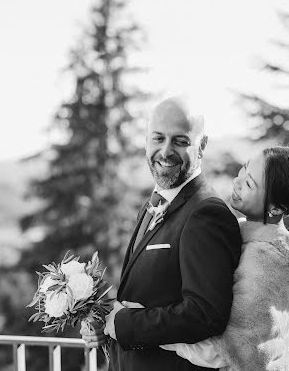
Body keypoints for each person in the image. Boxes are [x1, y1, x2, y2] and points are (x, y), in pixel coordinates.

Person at [80, 95, 241, 371]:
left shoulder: (206, 213)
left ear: (201, 146)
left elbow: (205, 314)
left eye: (180, 141)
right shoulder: (154, 202)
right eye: (158, 138)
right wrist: (105, 323)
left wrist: (125, 324)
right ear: (146, 140)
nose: (166, 151)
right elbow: (148, 293)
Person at [126, 145, 289, 371]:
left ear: (275, 207)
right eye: (243, 170)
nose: (236, 182)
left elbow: (229, 352)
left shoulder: (265, 262)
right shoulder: (247, 234)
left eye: (248, 184)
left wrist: (137, 324)